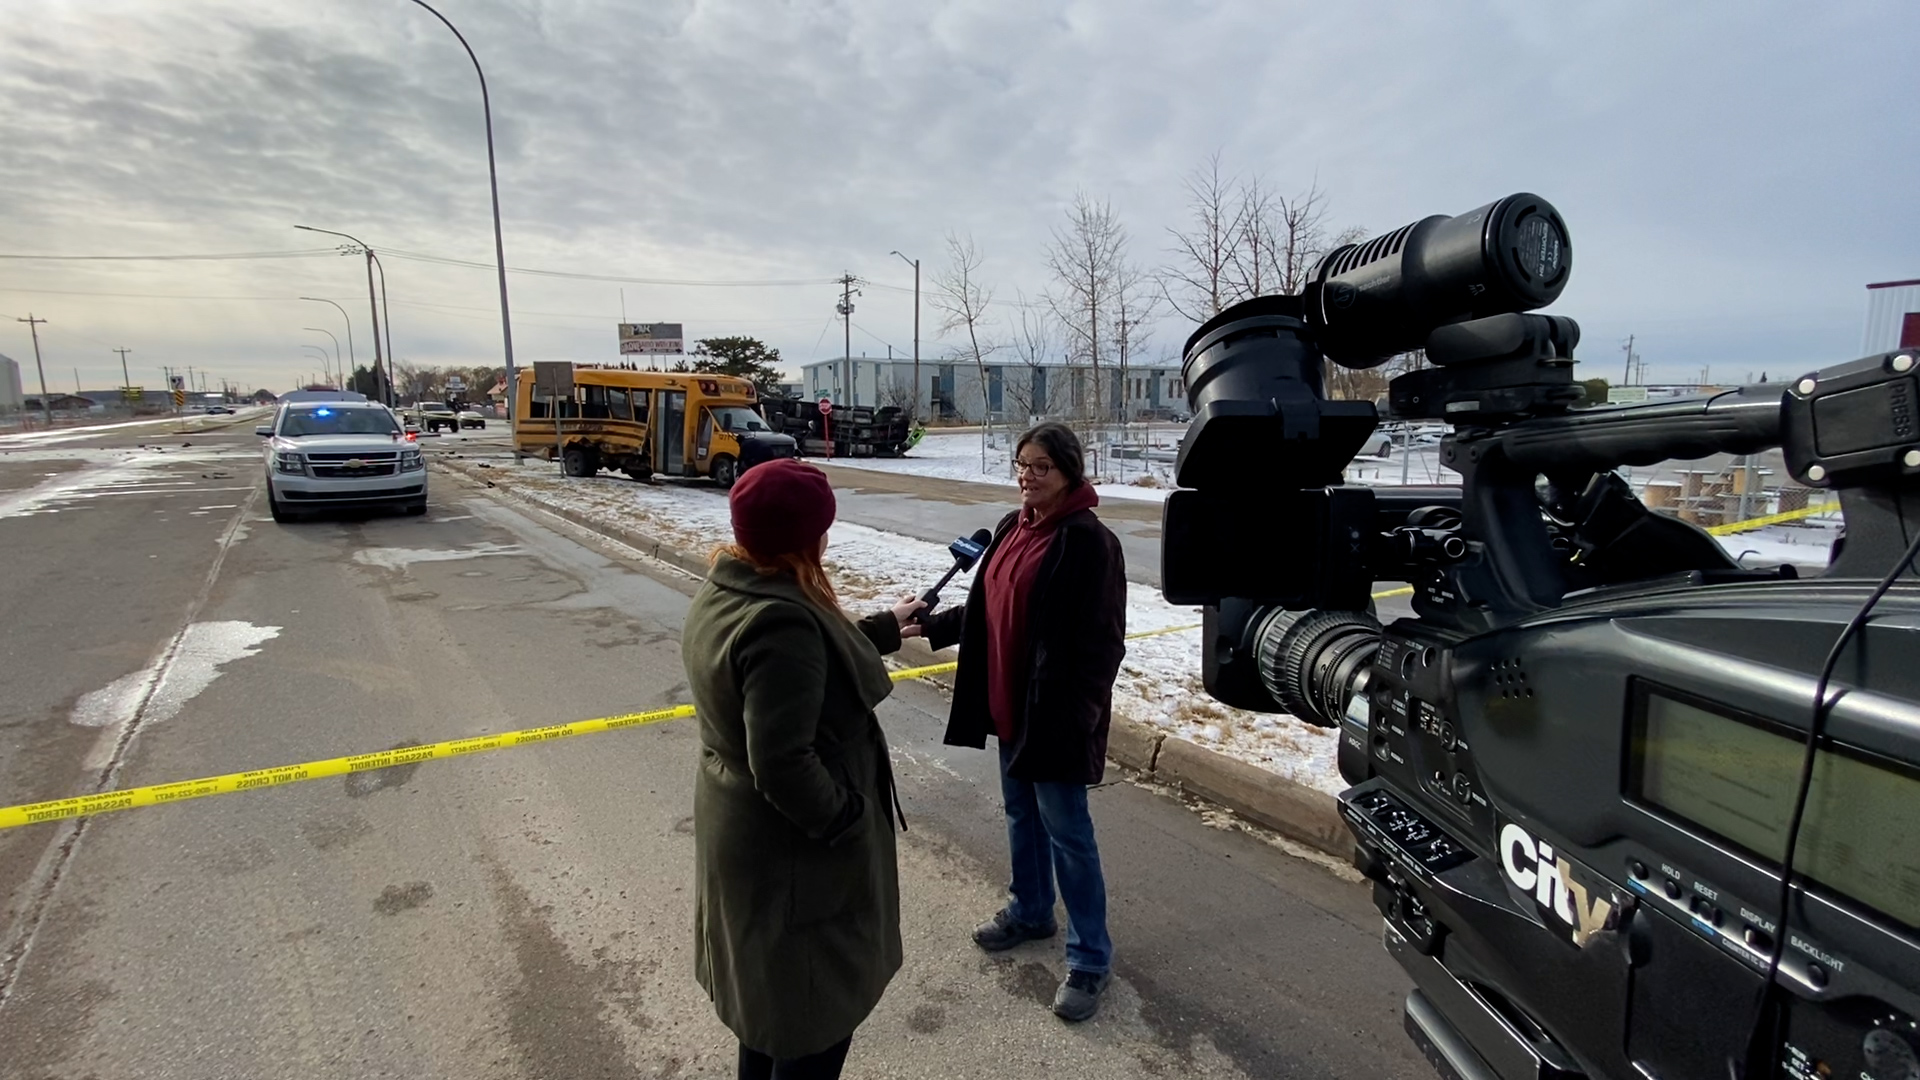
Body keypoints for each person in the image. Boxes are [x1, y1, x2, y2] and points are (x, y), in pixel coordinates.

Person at [681, 458, 925, 1079]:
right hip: (794, 855)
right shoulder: (782, 619)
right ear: (807, 535)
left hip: (746, 839)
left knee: (771, 1015)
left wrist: (883, 627)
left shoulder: (730, 584)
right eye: (823, 527)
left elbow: (809, 654)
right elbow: (784, 761)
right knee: (810, 1021)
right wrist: (846, 817)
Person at [920, 421, 1128, 1022]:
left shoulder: (1089, 542)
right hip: (1011, 706)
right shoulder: (1013, 527)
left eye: (1041, 467)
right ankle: (1032, 910)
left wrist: (1081, 717)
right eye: (1021, 464)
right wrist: (932, 626)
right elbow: (992, 608)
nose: (1027, 476)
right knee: (1020, 815)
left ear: (1069, 473)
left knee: (1068, 833)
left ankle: (1090, 958)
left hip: (1057, 716)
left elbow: (1102, 645)